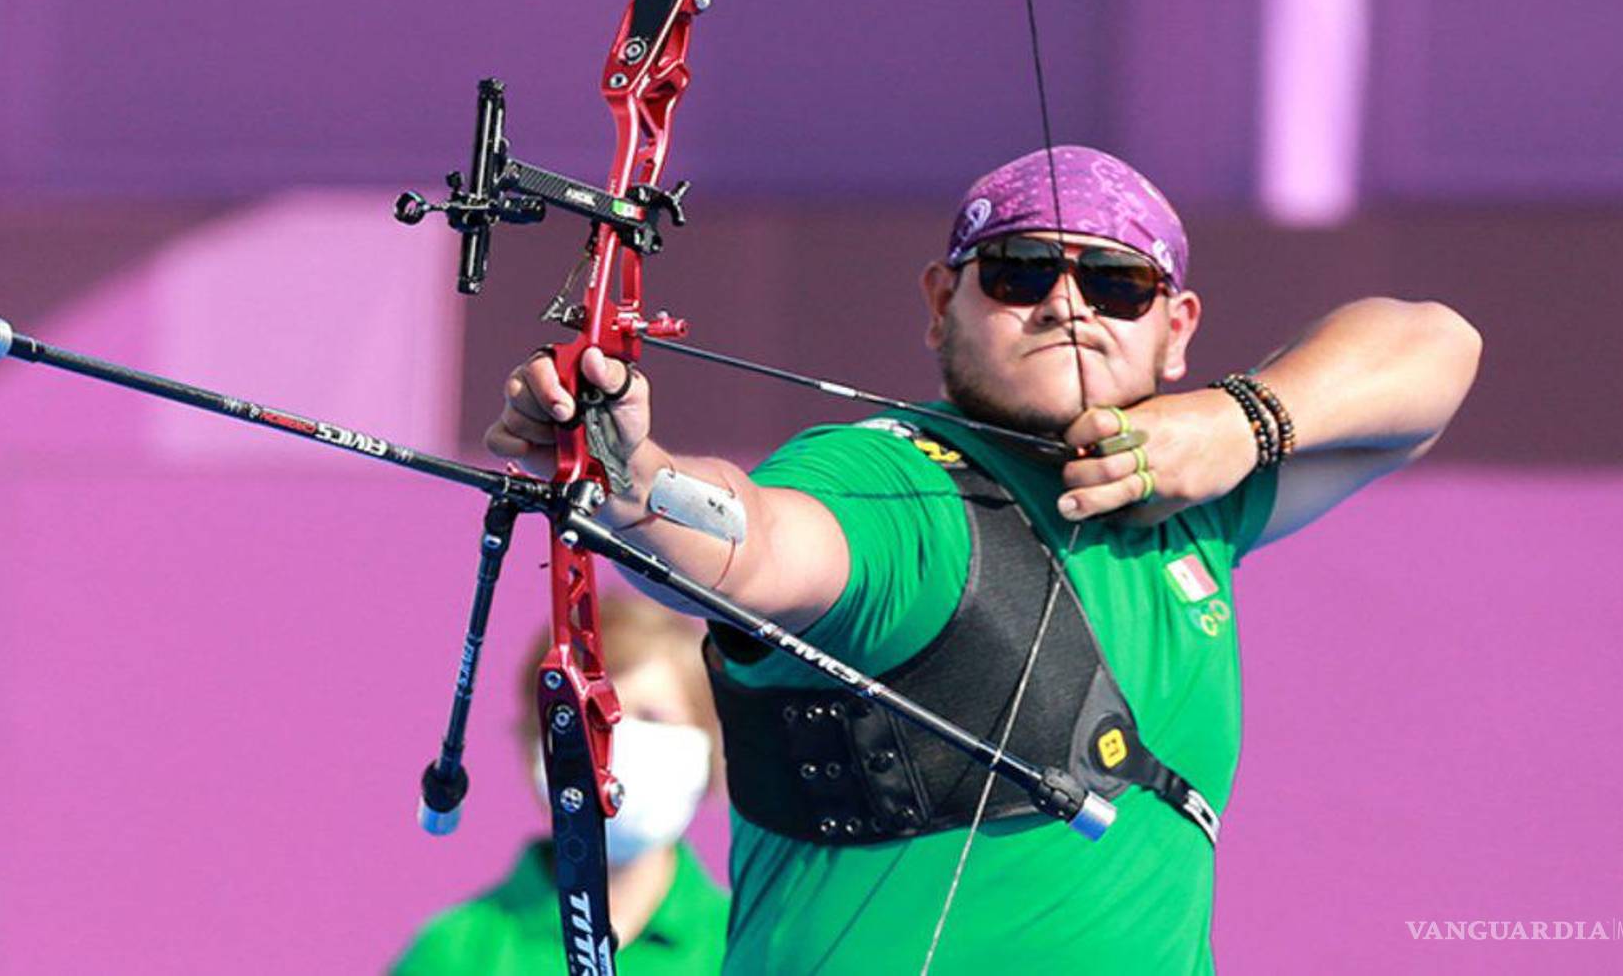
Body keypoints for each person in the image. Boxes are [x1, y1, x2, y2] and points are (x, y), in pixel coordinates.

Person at [484, 146, 1482, 972]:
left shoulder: (1195, 489)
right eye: (1017, 272)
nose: (1065, 304)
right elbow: (753, 544)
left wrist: (1244, 420)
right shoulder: (890, 483)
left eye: (1116, 282)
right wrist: (631, 477)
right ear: (938, 302)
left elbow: (1435, 347)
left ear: (1175, 329)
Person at [390, 598, 730, 975]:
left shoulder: (747, 947)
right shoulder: (457, 953)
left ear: (711, 745)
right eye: (589, 718)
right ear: (535, 744)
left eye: (652, 716)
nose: (614, 744)